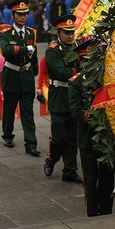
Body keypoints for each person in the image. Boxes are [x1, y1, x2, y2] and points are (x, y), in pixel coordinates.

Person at [69, 37, 114, 216]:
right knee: (90, 177)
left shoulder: (106, 78)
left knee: (107, 174)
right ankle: (92, 211)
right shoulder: (75, 82)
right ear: (81, 61)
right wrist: (96, 112)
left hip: (106, 138)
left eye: (93, 59)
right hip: (87, 137)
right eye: (87, 60)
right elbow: (76, 113)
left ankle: (106, 209)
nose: (90, 63)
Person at [43, 14, 82, 183]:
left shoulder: (79, 48)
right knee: (59, 138)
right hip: (59, 98)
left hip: (74, 99)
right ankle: (51, 159)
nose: (70, 36)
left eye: (72, 32)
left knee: (73, 139)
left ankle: (70, 171)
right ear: (58, 33)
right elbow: (62, 73)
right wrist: (80, 71)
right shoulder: (52, 51)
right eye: (66, 32)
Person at [0, 0, 39, 156]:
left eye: (25, 14)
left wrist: (34, 70)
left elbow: (33, 54)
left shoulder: (31, 33)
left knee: (27, 112)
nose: (23, 17)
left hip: (26, 75)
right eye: (19, 14)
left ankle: (31, 143)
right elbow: (7, 51)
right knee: (9, 109)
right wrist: (25, 48)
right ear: (13, 15)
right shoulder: (6, 34)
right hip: (12, 75)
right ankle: (8, 135)